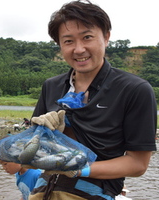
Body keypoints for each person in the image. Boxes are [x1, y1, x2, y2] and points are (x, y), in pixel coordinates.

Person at [29, 1, 157, 199]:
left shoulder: (134, 89)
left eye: (87, 37)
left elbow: (137, 164)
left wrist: (78, 168)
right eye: (68, 41)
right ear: (60, 45)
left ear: (106, 37)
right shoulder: (51, 86)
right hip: (42, 191)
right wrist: (41, 134)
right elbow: (32, 151)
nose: (79, 49)